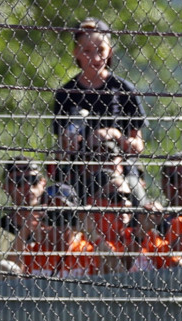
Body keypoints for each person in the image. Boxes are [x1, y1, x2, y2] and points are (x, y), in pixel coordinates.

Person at [52, 17, 148, 205]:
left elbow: (138, 145)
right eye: (87, 51)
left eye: (101, 50)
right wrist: (72, 143)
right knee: (62, 200)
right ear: (76, 53)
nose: (95, 58)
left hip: (121, 170)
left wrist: (115, 136)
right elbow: (61, 150)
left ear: (110, 51)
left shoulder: (123, 89)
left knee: (138, 200)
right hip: (79, 171)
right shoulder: (66, 93)